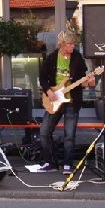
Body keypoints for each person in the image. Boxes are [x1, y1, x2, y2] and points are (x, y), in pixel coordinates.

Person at [37, 30, 95, 174]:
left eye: (73, 43)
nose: (73, 46)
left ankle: (68, 164)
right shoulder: (52, 58)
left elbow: (81, 81)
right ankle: (50, 162)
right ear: (62, 44)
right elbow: (42, 77)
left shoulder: (77, 58)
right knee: (44, 131)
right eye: (70, 44)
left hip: (71, 102)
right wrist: (49, 91)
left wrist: (88, 82)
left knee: (69, 135)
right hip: (54, 100)